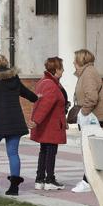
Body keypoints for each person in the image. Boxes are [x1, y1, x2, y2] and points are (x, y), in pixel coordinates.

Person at [0, 53, 38, 196]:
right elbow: (25, 92)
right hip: (15, 121)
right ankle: (14, 187)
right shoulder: (13, 77)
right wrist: (36, 98)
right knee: (13, 153)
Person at [71, 49, 103, 193]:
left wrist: (83, 112)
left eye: (75, 59)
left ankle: (88, 182)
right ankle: (89, 180)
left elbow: (92, 97)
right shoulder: (86, 73)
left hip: (92, 117)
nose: (73, 62)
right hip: (90, 117)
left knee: (89, 151)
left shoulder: (88, 73)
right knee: (90, 150)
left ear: (81, 60)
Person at [29, 56, 69, 191]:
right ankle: (49, 180)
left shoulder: (44, 82)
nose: (63, 71)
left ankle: (40, 179)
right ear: (56, 69)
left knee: (44, 151)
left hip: (47, 124)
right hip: (50, 125)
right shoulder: (51, 85)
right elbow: (45, 105)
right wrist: (36, 121)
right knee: (50, 151)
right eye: (62, 68)